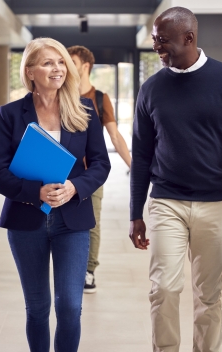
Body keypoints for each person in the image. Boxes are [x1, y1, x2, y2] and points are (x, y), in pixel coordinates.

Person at [129, 7, 222, 352]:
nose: (157, 47)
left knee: (209, 294)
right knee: (163, 288)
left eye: (163, 41)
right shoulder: (151, 89)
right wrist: (135, 214)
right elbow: (142, 155)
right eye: (155, 41)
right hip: (166, 202)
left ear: (189, 38)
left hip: (215, 203)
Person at [0, 37, 111, 352]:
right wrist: (35, 191)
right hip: (26, 221)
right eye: (47, 63)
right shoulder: (10, 114)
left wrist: (75, 187)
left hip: (73, 221)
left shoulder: (84, 109)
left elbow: (100, 164)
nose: (57, 69)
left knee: (70, 305)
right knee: (38, 307)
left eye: (60, 62)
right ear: (29, 71)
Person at [67, 45, 132, 294]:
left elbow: (115, 136)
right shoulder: (61, 93)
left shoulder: (101, 99)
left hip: (90, 173)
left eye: (71, 61)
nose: (65, 65)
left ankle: (88, 270)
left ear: (85, 66)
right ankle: (67, 267)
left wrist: (134, 168)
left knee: (91, 223)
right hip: (62, 172)